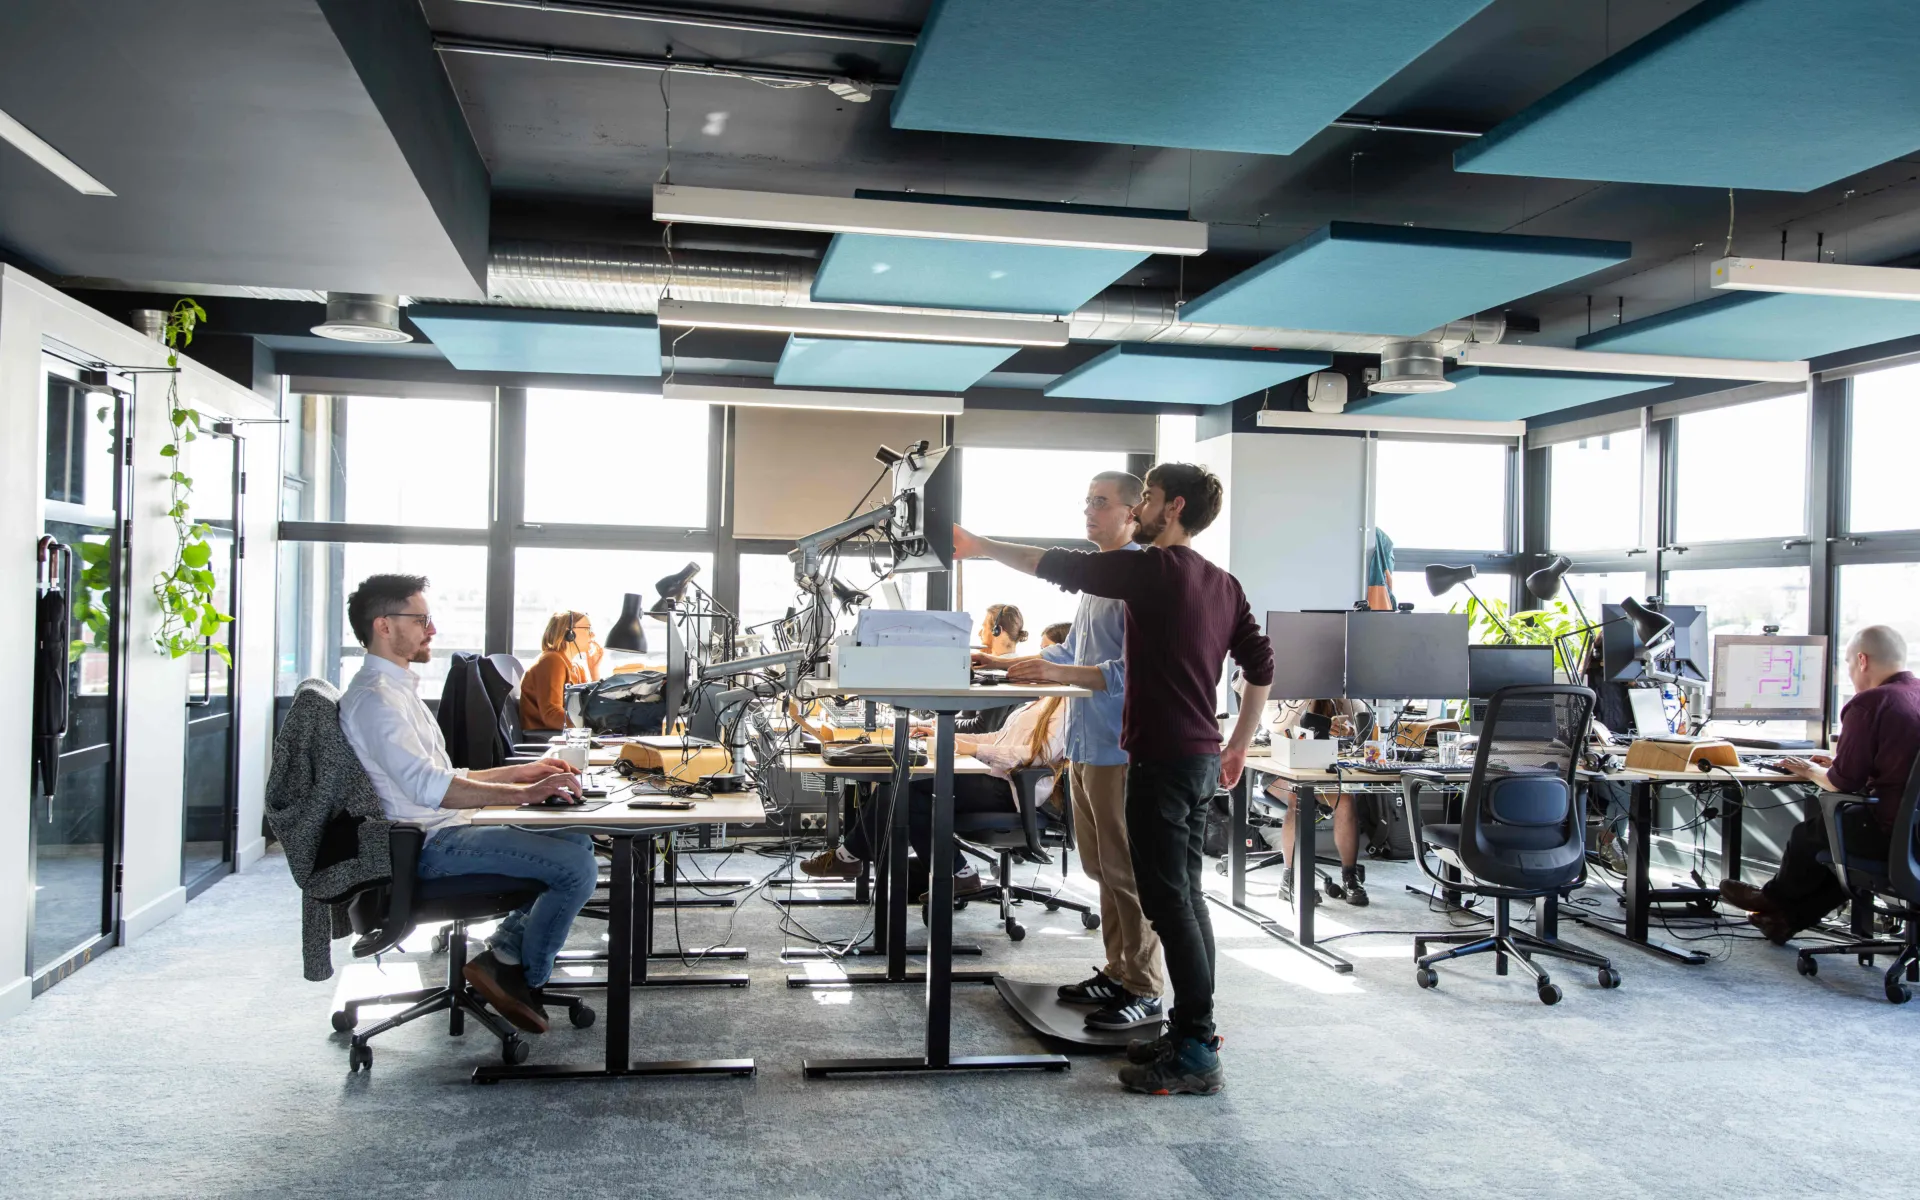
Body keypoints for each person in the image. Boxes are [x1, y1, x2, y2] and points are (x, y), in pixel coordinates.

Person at [955, 460, 1274, 1097]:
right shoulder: (1222, 583)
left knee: (1166, 903)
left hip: (1159, 757)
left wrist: (982, 546)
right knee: (1184, 900)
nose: (1139, 510)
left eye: (1147, 498)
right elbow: (1261, 665)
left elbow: (1060, 566)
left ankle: (1194, 1044)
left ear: (1173, 508)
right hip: (1199, 755)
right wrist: (1235, 745)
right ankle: (1192, 1031)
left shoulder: (1155, 569)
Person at [338, 574, 598, 1035]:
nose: (431, 630)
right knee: (576, 869)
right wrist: (523, 796)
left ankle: (502, 956)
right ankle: (521, 978)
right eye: (420, 620)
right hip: (429, 846)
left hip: (444, 828)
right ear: (383, 625)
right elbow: (429, 789)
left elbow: (446, 776)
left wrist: (520, 773)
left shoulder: (397, 691)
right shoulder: (375, 701)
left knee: (575, 837)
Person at [977, 469, 1166, 1033]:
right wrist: (1007, 662)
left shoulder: (1139, 579)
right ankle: (1118, 969)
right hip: (1084, 742)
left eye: (1102, 503)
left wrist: (1057, 668)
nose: (1090, 511)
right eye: (1087, 501)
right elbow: (1077, 650)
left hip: (1118, 744)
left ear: (1135, 512)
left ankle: (1146, 987)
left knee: (1127, 870)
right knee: (1101, 866)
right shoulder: (1097, 581)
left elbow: (1132, 670)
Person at [1720, 625, 1920, 943]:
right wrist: (1835, 765)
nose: (1850, 674)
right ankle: (1785, 920)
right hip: (1915, 838)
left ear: (1862, 660)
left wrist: (1811, 770)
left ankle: (1771, 899)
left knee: (1813, 835)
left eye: (1849, 665)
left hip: (1891, 834)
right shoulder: (1914, 696)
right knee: (1834, 846)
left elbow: (1843, 782)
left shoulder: (1870, 703)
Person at [801, 696, 1067, 897]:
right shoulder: (1040, 702)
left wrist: (972, 749)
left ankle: (849, 857)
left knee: (910, 788)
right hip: (996, 777)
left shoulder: (1067, 708)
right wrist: (944, 735)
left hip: (1011, 789)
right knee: (912, 794)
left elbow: (1037, 755)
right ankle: (960, 874)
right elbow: (998, 738)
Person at [1268, 699, 1375, 906]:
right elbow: (1274, 724)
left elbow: (1366, 720)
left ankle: (1350, 877)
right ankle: (1289, 879)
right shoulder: (1283, 688)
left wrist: (1349, 728)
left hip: (1321, 769)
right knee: (1296, 794)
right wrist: (1306, 698)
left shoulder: (1339, 695)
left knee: (1345, 799)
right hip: (1279, 766)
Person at [519, 609, 605, 733]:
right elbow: (551, 714)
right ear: (569, 633)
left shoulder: (576, 667)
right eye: (588, 629)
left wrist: (594, 670)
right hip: (548, 738)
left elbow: (590, 707)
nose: (593, 635)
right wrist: (591, 728)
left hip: (568, 736)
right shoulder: (551, 661)